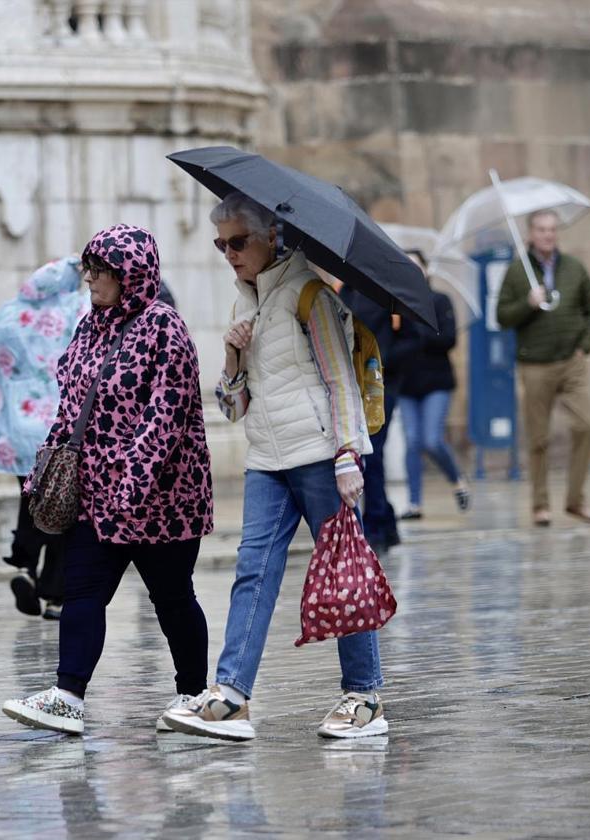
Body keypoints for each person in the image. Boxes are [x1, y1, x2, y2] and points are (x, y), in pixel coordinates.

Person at [163, 192, 386, 742]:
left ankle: (364, 698)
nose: (229, 253)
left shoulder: (309, 294)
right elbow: (232, 408)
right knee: (252, 572)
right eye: (221, 244)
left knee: (344, 574)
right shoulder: (246, 304)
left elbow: (339, 381)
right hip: (267, 458)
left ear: (271, 238)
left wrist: (347, 455)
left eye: (238, 242)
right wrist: (234, 357)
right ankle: (232, 697)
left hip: (320, 455)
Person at [1, 224, 214, 736]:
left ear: (130, 274)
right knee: (82, 592)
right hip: (96, 494)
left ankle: (193, 693)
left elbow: (167, 415)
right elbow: (71, 405)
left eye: (100, 270)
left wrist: (132, 484)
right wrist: (45, 470)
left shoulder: (166, 327)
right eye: (88, 268)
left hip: (162, 499)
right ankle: (67, 695)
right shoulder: (88, 326)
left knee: (172, 597)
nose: (90, 279)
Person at [0, 257, 89, 620]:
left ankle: (23, 565)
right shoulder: (75, 307)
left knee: (31, 497)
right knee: (63, 506)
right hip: (58, 425)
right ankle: (55, 594)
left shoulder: (14, 313)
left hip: (20, 425)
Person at [496, 210, 590, 527]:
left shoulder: (573, 267)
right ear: (531, 233)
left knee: (586, 424)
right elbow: (502, 315)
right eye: (542, 229)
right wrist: (526, 304)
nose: (548, 235)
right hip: (535, 365)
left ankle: (575, 500)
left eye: (553, 229)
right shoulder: (518, 272)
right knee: (538, 438)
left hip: (571, 362)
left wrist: (586, 345)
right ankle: (540, 505)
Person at [393, 251, 470, 520]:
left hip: (436, 381)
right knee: (412, 442)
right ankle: (415, 503)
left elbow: (448, 338)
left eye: (418, 266)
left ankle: (457, 478)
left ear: (426, 270)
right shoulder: (396, 304)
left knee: (431, 439)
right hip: (407, 383)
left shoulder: (439, 301)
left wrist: (420, 332)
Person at [339, 285, 402, 556]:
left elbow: (412, 341)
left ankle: (377, 524)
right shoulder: (344, 293)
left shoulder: (387, 295)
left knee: (372, 455)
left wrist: (381, 358)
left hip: (380, 386)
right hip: (353, 385)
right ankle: (385, 520)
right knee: (367, 457)